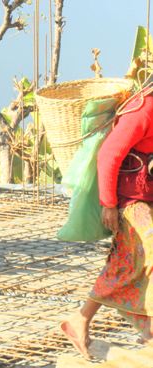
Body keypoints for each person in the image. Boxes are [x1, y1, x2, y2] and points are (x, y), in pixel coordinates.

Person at [60, 87, 153, 359]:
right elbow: (109, 155)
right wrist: (109, 204)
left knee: (124, 261)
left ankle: (79, 320)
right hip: (128, 200)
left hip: (146, 197)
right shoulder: (144, 110)